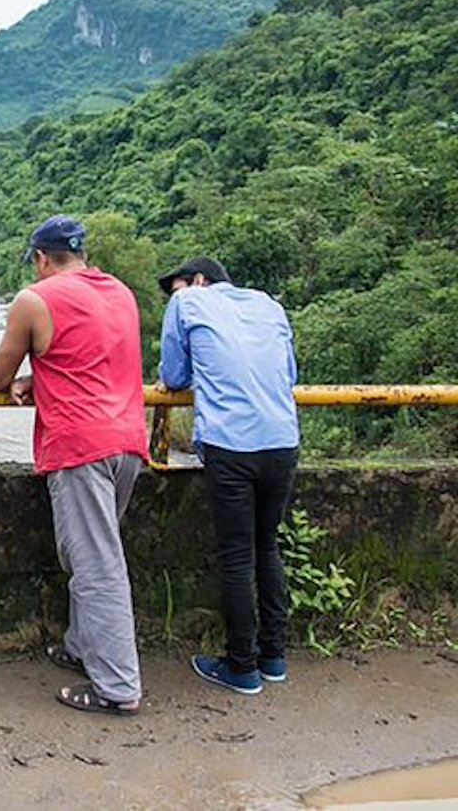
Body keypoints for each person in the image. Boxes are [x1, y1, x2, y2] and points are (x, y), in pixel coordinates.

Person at [0, 215, 148, 716]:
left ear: (40, 258)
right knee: (90, 553)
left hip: (81, 445)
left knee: (96, 564)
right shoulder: (119, 292)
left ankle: (118, 687)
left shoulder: (35, 300)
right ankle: (82, 646)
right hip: (128, 441)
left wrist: (24, 377)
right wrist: (45, 378)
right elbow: (92, 357)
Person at [157, 256, 300, 695]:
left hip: (232, 444)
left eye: (178, 286)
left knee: (238, 555)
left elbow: (173, 375)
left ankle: (241, 667)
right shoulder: (268, 305)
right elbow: (290, 373)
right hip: (282, 438)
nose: (176, 295)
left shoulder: (188, 303)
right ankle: (272, 658)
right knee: (266, 545)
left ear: (198, 281)